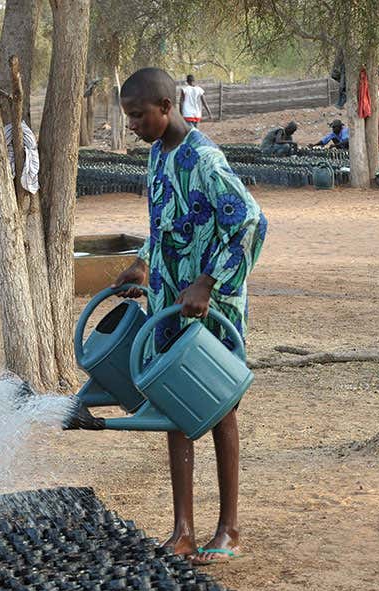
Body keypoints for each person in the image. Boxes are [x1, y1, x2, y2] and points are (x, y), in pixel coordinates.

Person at [112, 67, 267, 564]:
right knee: (174, 405)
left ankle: (229, 529)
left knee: (219, 407)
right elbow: (161, 224)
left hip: (210, 308)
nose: (132, 125)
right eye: (129, 117)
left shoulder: (205, 159)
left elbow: (250, 222)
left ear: (166, 106)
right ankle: (182, 529)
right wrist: (141, 264)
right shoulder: (159, 155)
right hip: (168, 305)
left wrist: (208, 281)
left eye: (138, 116)